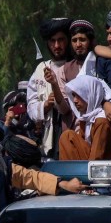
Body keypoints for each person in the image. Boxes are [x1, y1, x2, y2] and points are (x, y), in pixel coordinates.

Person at [27, 17, 78, 156]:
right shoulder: (40, 70)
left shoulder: (77, 66)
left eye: (61, 40)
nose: (57, 46)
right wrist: (45, 105)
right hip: (50, 134)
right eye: (52, 41)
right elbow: (31, 105)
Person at [58, 74, 111, 160]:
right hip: (88, 164)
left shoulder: (101, 122)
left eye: (79, 95)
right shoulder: (87, 118)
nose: (75, 100)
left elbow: (96, 158)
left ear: (90, 94)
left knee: (68, 136)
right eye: (73, 95)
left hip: (100, 169)